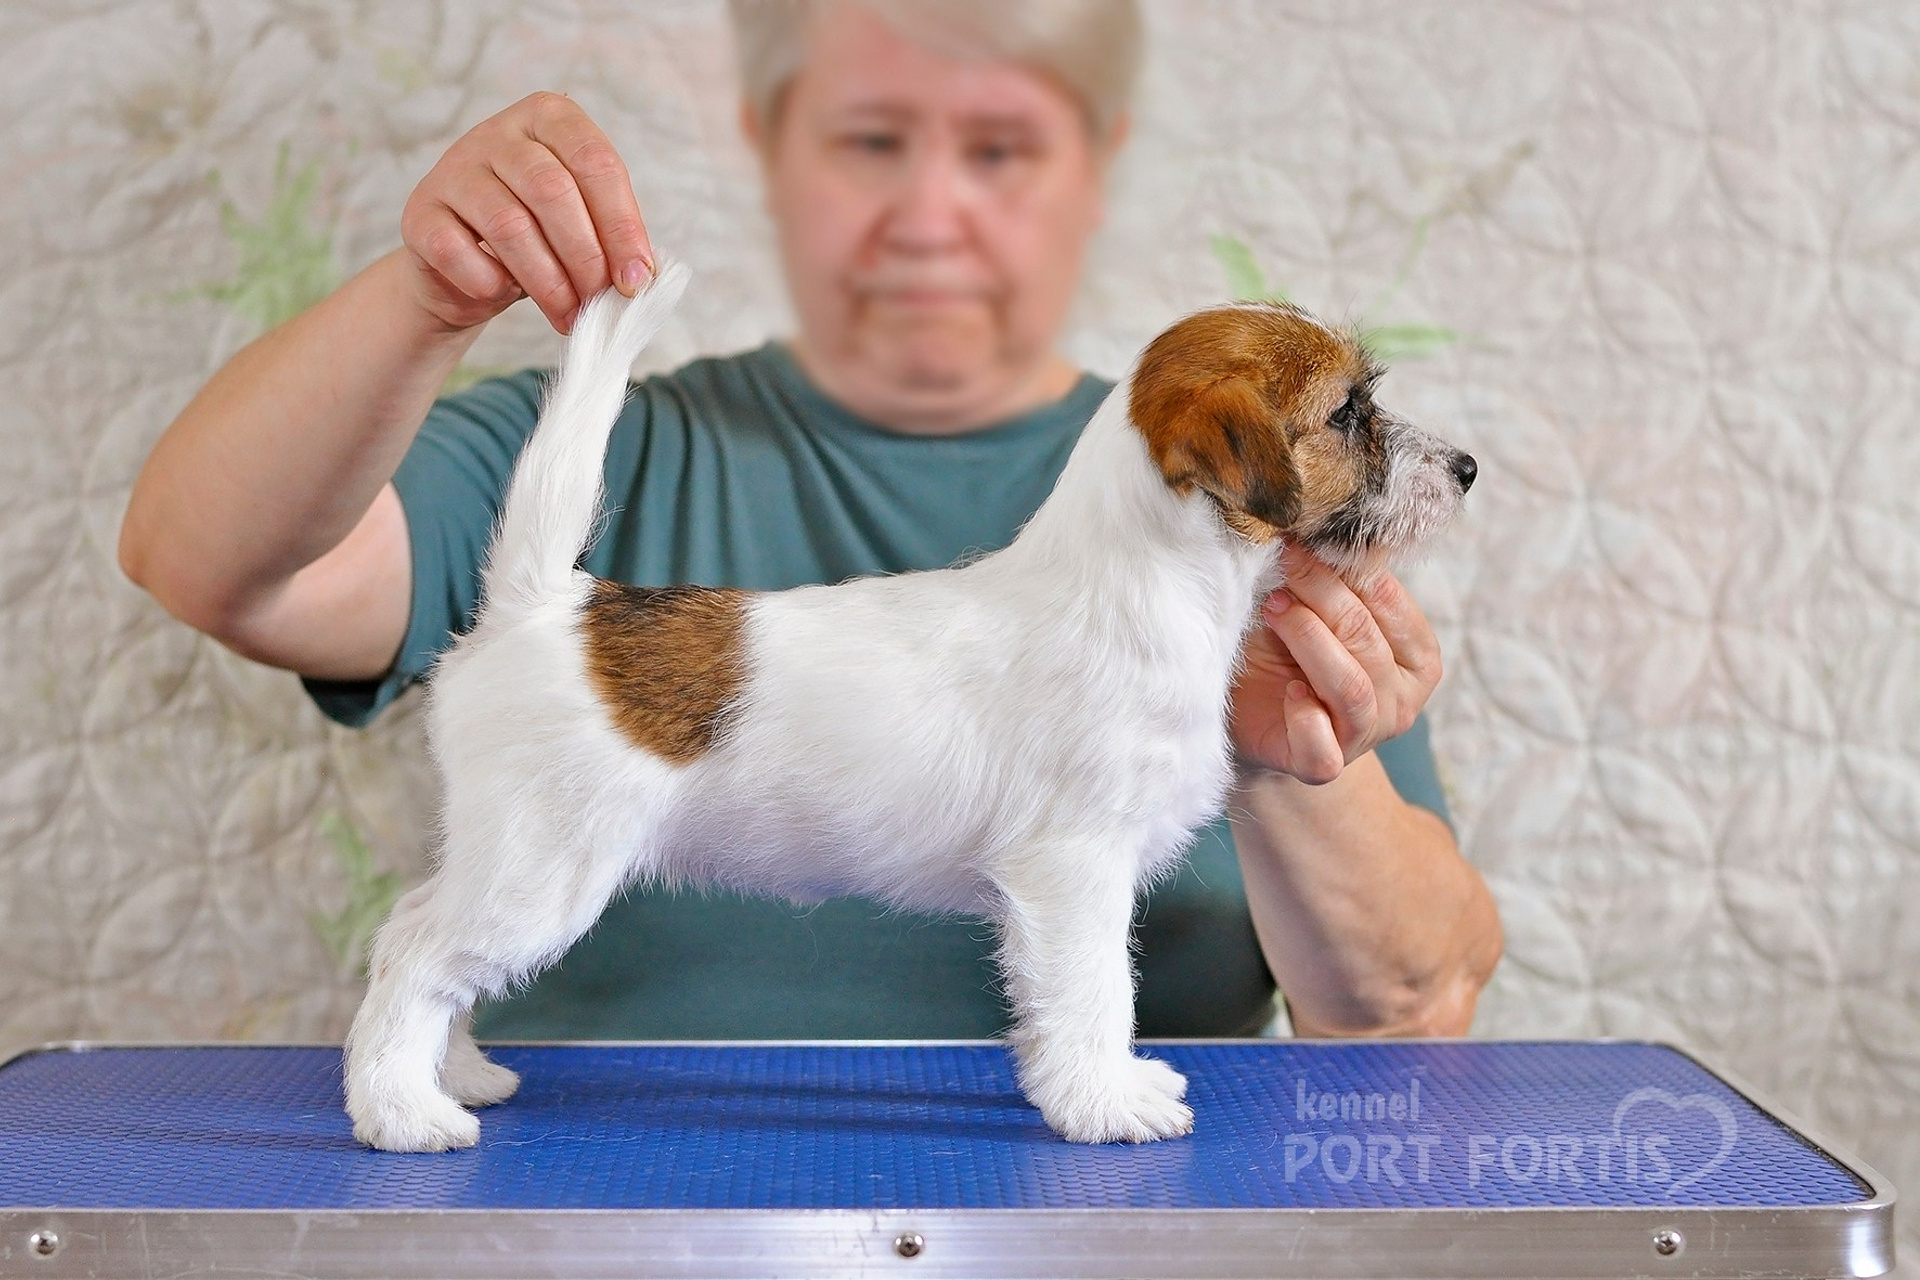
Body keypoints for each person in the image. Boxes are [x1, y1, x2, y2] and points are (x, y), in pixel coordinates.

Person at [119, 0, 1501, 1042]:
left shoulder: (1267, 501)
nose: (930, 209)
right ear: (771, 148)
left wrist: (1285, 766)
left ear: (1101, 165)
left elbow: (1415, 1001)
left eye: (1003, 145)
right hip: (601, 1206)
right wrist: (427, 293)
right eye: (869, 138)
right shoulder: (598, 444)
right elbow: (209, 565)